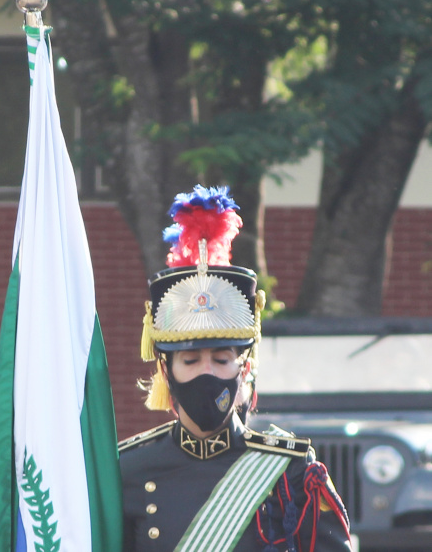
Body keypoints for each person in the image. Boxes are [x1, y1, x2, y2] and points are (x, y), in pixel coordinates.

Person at [119, 185, 352, 551]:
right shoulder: (129, 469)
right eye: (191, 361)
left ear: (244, 369)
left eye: (222, 359)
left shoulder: (288, 470)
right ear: (166, 373)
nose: (207, 372)